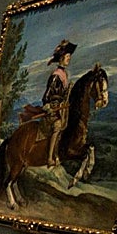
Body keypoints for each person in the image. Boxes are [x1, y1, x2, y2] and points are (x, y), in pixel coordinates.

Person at [43, 39, 75, 167]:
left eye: (69, 57)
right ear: (62, 57)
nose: (69, 59)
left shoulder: (64, 74)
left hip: (61, 108)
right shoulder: (56, 75)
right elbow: (47, 95)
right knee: (57, 125)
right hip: (52, 109)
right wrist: (48, 106)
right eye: (67, 57)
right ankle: (50, 158)